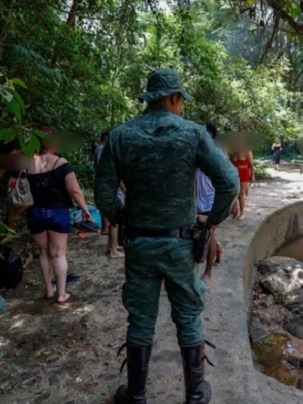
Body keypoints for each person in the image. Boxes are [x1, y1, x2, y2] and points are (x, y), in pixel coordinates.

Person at [95, 68, 239, 404]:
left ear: (149, 99)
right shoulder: (193, 133)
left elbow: (103, 196)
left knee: (141, 318)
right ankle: (194, 395)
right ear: (174, 98)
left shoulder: (119, 136)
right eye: (181, 101)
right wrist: (209, 222)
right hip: (182, 243)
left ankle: (137, 395)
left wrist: (124, 219)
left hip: (139, 243)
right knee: (188, 315)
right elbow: (229, 183)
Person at [26, 143, 92, 303]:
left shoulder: (27, 164)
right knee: (58, 254)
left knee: (43, 252)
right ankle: (61, 294)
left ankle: (49, 289)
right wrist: (85, 209)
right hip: (57, 212)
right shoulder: (61, 163)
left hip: (35, 212)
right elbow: (74, 190)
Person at [196, 123, 224, 285]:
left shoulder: (217, 153)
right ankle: (218, 250)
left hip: (212, 202)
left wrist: (232, 203)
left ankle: (208, 273)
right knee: (201, 234)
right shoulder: (195, 151)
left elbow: (228, 180)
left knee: (209, 234)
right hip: (197, 201)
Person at [96, 131, 125, 258]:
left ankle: (112, 245)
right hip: (111, 190)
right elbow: (111, 172)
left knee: (115, 219)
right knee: (115, 220)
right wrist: (123, 189)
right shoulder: (102, 150)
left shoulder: (100, 149)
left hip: (108, 189)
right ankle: (113, 250)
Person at [229, 138, 254, 221]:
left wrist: (252, 176)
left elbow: (251, 165)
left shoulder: (247, 151)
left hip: (244, 175)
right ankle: (234, 210)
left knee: (240, 195)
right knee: (233, 193)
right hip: (234, 175)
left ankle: (242, 213)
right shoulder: (232, 152)